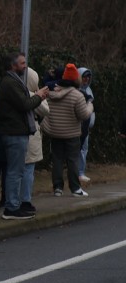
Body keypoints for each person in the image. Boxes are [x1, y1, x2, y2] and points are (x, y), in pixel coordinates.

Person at [0, 51, 48, 219]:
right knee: (15, 171)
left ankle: (14, 205)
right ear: (13, 65)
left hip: (16, 131)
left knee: (17, 171)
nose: (25, 66)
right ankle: (11, 207)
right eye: (22, 63)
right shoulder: (11, 83)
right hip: (15, 133)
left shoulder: (12, 81)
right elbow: (25, 104)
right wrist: (39, 96)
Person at [41, 63, 94, 197]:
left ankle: (58, 188)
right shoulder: (77, 95)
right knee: (72, 161)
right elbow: (84, 115)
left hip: (55, 132)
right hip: (71, 134)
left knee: (57, 160)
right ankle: (75, 188)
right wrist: (90, 106)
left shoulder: (52, 92)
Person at [22, 67, 49, 214]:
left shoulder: (14, 92)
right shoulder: (31, 95)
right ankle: (25, 200)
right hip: (31, 136)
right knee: (28, 169)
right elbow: (45, 109)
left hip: (18, 135)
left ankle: (12, 199)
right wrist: (40, 94)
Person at [77, 68, 95, 183]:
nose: (87, 79)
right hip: (78, 125)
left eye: (88, 77)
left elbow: (91, 107)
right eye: (84, 77)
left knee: (84, 149)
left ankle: (81, 172)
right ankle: (78, 173)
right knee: (78, 149)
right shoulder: (76, 90)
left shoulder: (89, 89)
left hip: (86, 126)